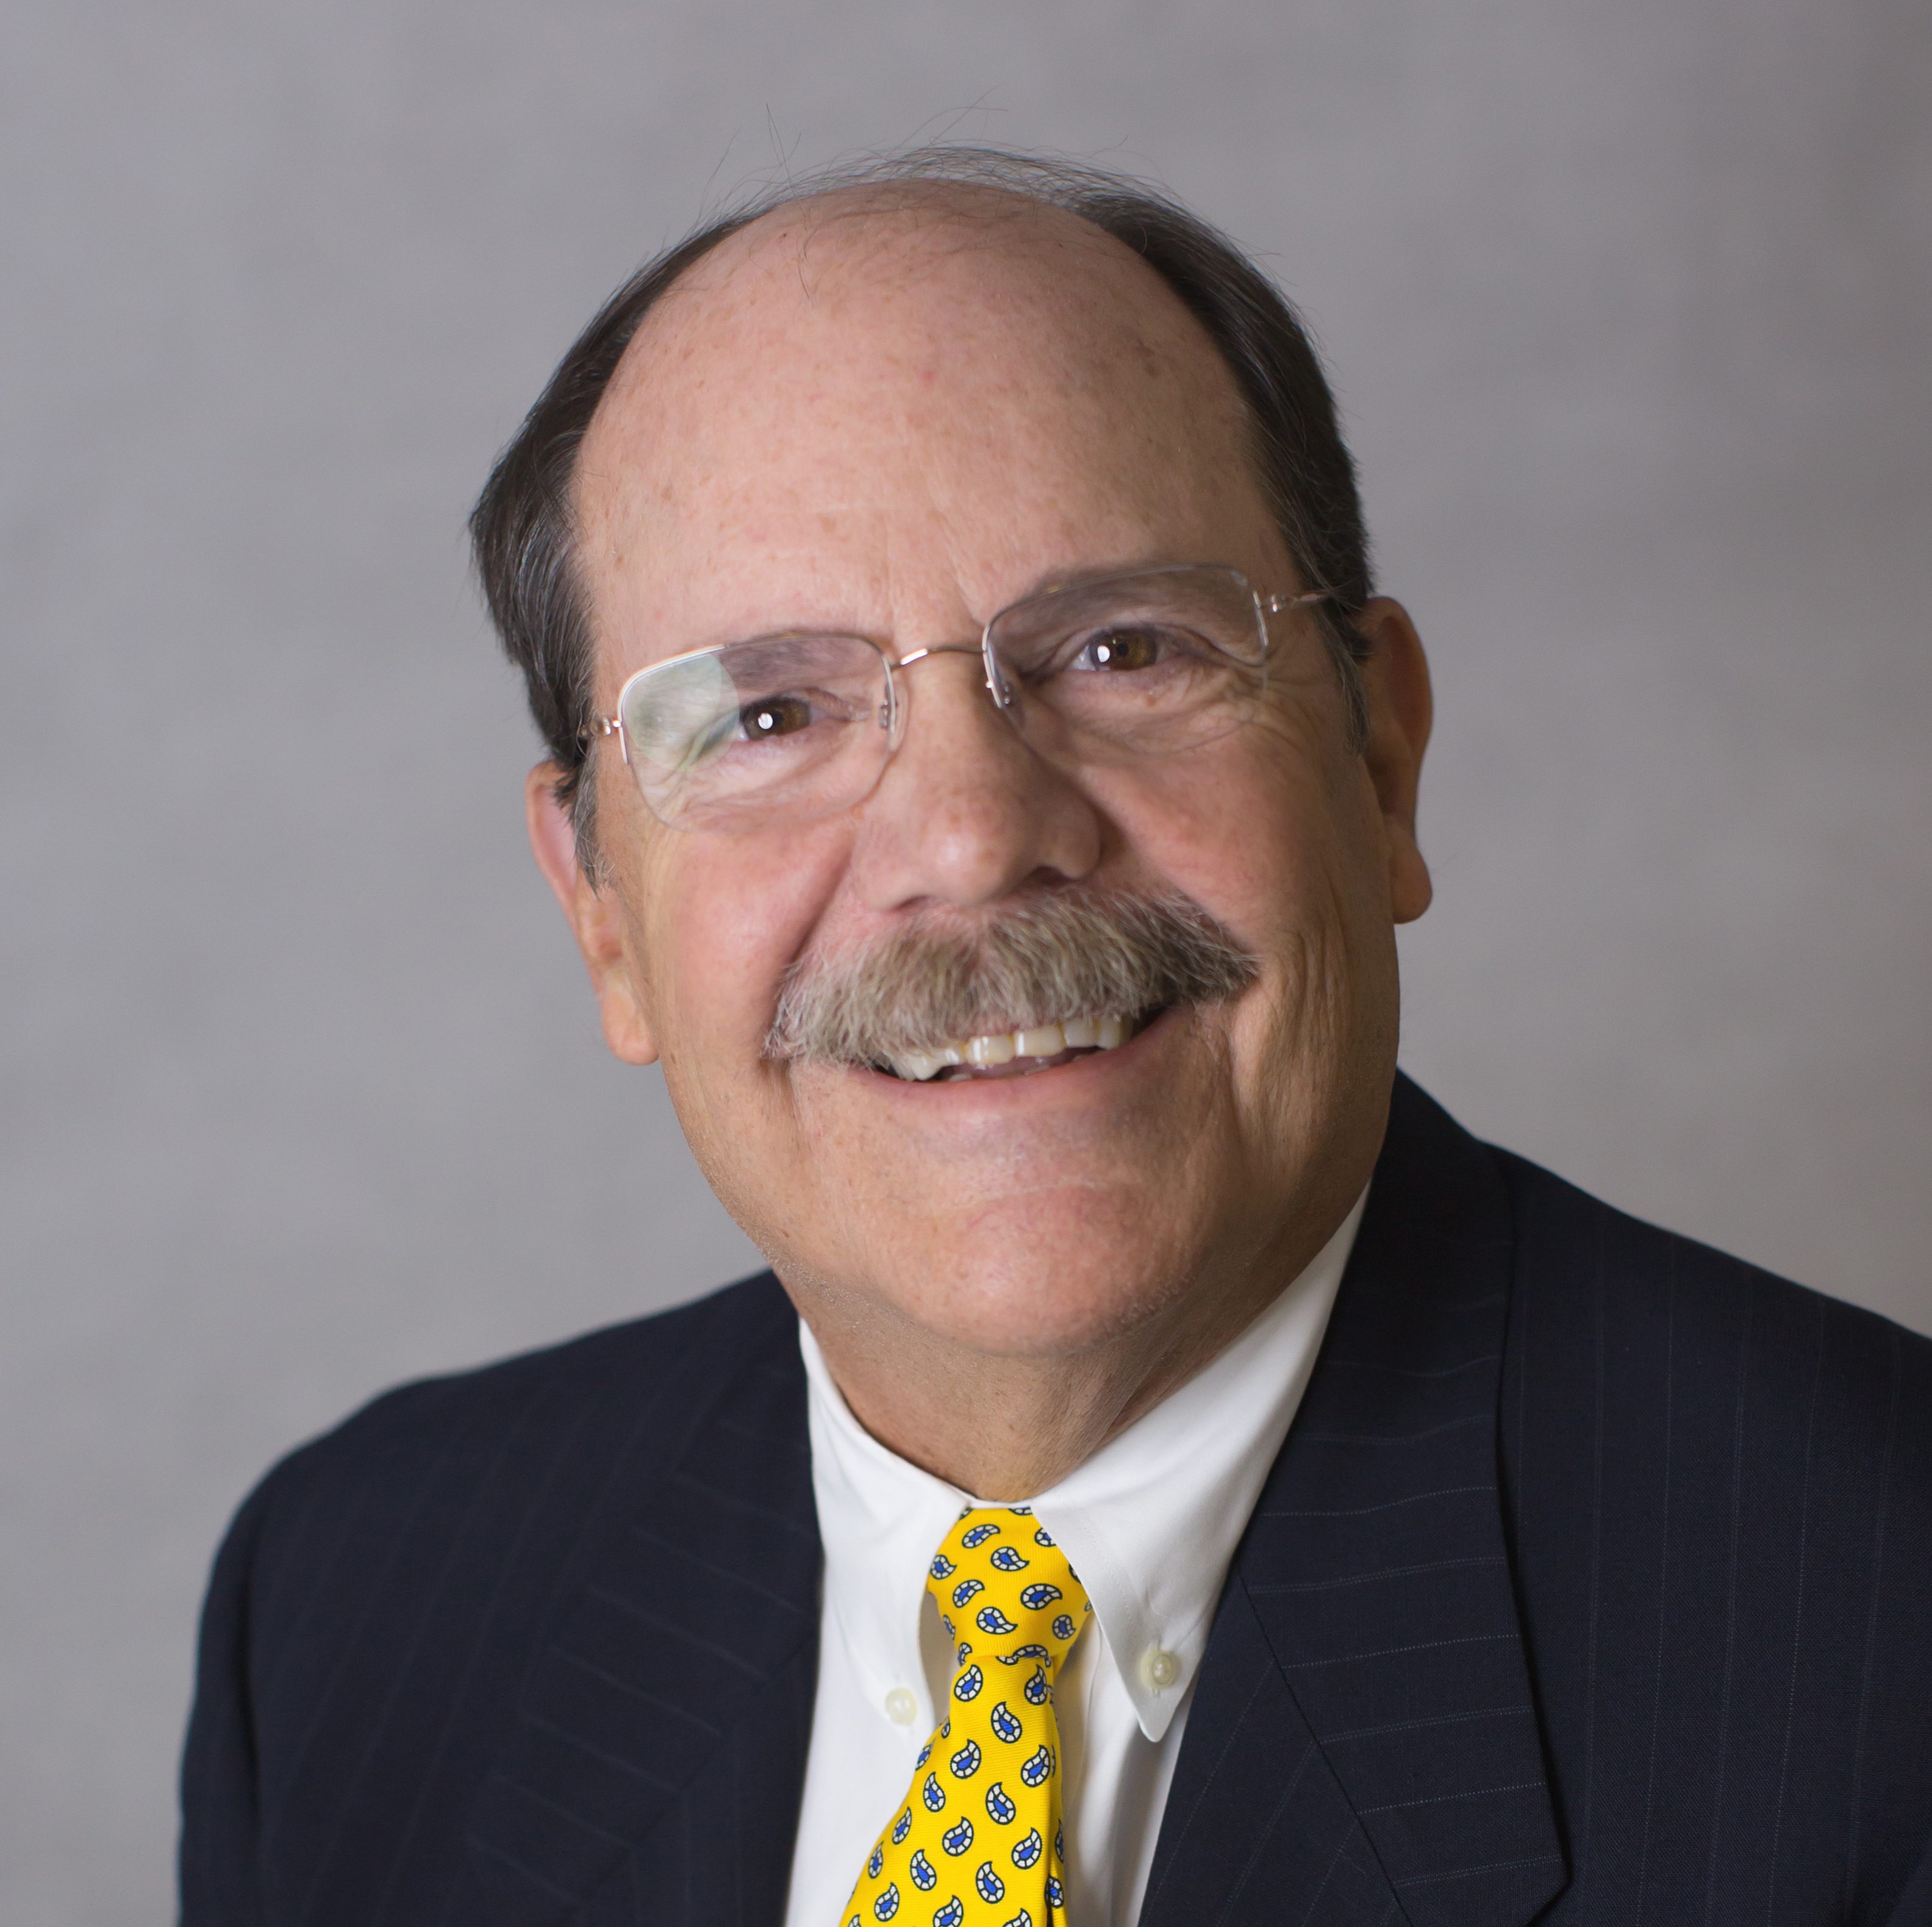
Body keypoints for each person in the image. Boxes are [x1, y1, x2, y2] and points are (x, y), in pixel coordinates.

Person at [178, 151, 1932, 1927]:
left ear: (1380, 759)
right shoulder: (351, 1615)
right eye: (770, 715)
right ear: (601, 909)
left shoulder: (1879, 1642)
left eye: (1123, 650)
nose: (971, 838)